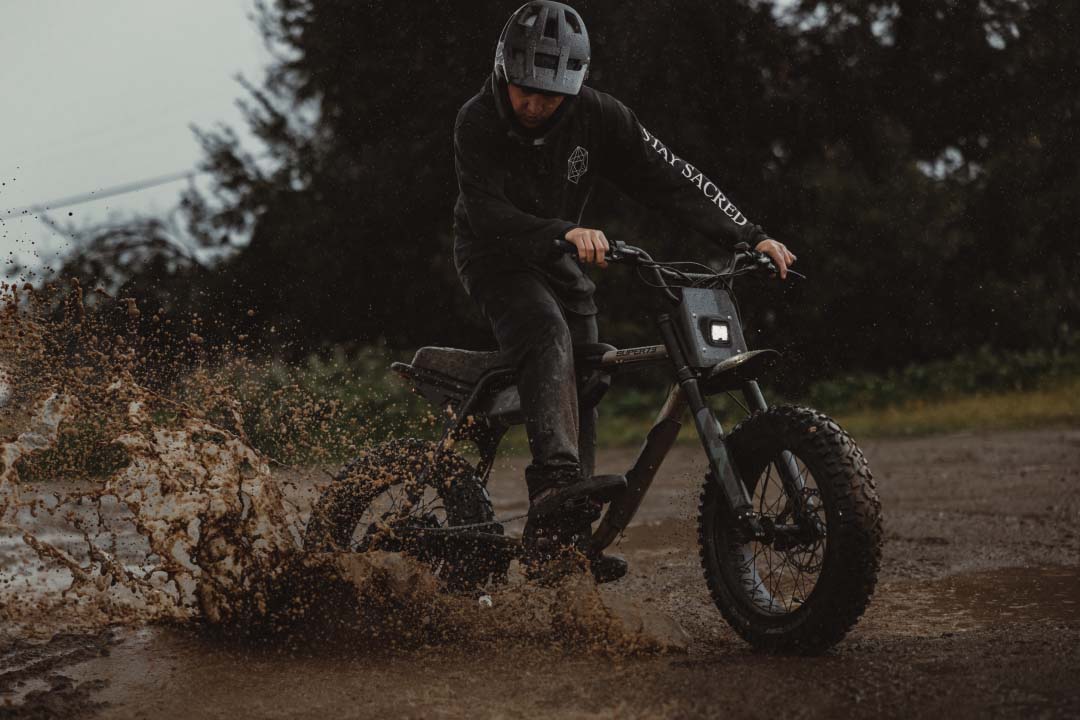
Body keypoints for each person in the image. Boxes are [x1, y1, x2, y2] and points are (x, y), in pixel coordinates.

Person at [452, 1, 796, 578]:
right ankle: (554, 489)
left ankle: (561, 544)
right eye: (525, 90)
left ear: (576, 84)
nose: (536, 105)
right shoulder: (476, 120)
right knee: (546, 330)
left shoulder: (601, 117)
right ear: (502, 72)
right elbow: (486, 213)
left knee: (586, 375)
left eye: (551, 94)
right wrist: (564, 231)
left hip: (564, 265)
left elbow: (674, 178)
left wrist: (750, 235)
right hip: (495, 259)